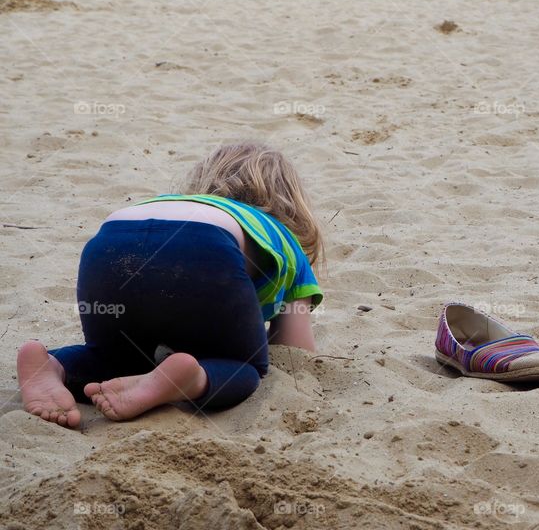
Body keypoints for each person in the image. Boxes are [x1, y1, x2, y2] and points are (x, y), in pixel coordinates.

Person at [16, 142, 324, 428]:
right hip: (206, 248)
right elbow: (296, 351)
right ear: (293, 203)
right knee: (246, 367)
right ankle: (191, 379)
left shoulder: (178, 202)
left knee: (113, 358)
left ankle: (53, 365)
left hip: (110, 241)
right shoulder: (283, 239)